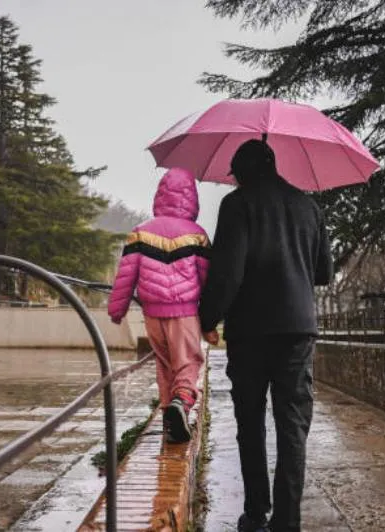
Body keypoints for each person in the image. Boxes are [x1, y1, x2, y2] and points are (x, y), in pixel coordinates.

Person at [198, 138, 334, 532]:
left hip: (251, 333)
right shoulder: (309, 206)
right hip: (297, 331)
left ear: (243, 171)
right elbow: (324, 272)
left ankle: (257, 512)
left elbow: (228, 274)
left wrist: (208, 318)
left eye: (235, 175)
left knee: (251, 422)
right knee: (292, 425)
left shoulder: (238, 205)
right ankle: (288, 522)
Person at [108, 167, 210, 444]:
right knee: (189, 363)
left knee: (165, 365)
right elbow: (207, 279)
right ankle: (182, 403)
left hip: (152, 315)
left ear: (160, 196)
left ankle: (169, 415)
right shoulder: (197, 235)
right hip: (185, 314)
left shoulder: (140, 233)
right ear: (192, 199)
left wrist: (117, 310)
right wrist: (211, 321)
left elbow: (125, 276)